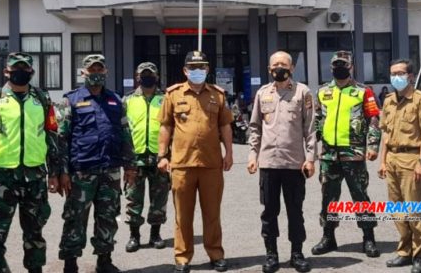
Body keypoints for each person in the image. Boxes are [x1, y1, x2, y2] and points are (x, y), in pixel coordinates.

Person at [0, 52, 62, 273]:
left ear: (31, 72)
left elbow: (52, 136)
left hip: (34, 177)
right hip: (1, 179)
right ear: (6, 72)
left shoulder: (42, 99)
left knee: (35, 233)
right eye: (15, 69)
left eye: (24, 69)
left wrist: (54, 173)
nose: (20, 72)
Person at [58, 54, 137, 273]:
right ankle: (70, 262)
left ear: (106, 72)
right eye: (91, 71)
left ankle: (104, 260)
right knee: (75, 219)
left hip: (110, 170)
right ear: (83, 73)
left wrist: (130, 166)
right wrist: (62, 172)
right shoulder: (70, 100)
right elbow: (61, 139)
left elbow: (124, 133)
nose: (96, 74)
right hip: (81, 171)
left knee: (108, 217)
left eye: (99, 70)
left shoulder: (115, 100)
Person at [157, 51, 233, 273]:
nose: (197, 71)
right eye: (193, 67)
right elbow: (166, 126)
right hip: (182, 164)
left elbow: (225, 126)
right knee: (183, 215)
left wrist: (229, 153)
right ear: (185, 70)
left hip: (211, 164)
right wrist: (162, 155)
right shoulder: (173, 94)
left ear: (208, 69)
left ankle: (216, 254)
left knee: (212, 214)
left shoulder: (218, 95)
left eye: (201, 67)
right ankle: (182, 257)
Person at [247, 51, 316, 273]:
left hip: (294, 164)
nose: (279, 68)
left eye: (283, 64)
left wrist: (310, 158)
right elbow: (255, 127)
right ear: (269, 69)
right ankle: (271, 254)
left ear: (292, 68)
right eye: (275, 64)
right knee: (269, 212)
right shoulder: (262, 93)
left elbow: (310, 129)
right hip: (268, 164)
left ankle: (297, 253)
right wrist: (252, 155)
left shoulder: (302, 92)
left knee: (295, 210)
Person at [312, 50, 382, 258]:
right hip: (328, 155)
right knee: (328, 198)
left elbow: (374, 120)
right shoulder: (323, 91)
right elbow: (316, 121)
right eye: (336, 65)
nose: (339, 68)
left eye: (343, 64)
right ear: (331, 67)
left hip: (354, 153)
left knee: (360, 196)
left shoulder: (363, 91)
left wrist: (373, 146)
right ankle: (328, 237)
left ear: (351, 67)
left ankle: (368, 237)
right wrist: (308, 149)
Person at [378, 59, 421, 273]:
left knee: (416, 210)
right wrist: (383, 161)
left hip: (412, 160)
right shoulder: (389, 100)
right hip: (392, 158)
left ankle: (420, 256)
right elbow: (385, 133)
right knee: (397, 209)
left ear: (411, 76)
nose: (396, 77)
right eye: (393, 73)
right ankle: (404, 251)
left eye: (401, 73)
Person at [123, 62, 169, 252]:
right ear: (137, 77)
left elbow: (171, 128)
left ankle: (155, 234)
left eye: (150, 74)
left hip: (160, 157)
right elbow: (122, 130)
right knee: (133, 198)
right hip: (135, 158)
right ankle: (134, 236)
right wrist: (125, 157)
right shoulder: (127, 100)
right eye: (143, 74)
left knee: (159, 198)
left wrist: (167, 154)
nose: (146, 77)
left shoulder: (166, 99)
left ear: (157, 77)